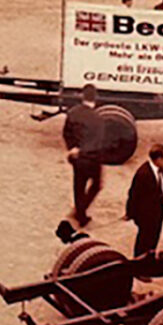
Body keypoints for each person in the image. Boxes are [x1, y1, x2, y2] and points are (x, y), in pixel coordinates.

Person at [63, 84, 105, 227]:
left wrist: (73, 148)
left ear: (82, 96)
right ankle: (81, 212)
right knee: (96, 185)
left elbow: (67, 133)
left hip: (77, 157)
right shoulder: (98, 118)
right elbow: (99, 141)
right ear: (95, 98)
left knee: (78, 186)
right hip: (92, 157)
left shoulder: (73, 113)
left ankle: (80, 213)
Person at [125, 145, 163, 257]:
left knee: (154, 238)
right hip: (145, 214)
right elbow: (133, 194)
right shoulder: (143, 173)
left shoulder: (161, 171)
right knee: (144, 240)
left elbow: (161, 187)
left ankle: (149, 262)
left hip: (157, 211)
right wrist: (130, 213)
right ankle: (139, 265)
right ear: (158, 159)